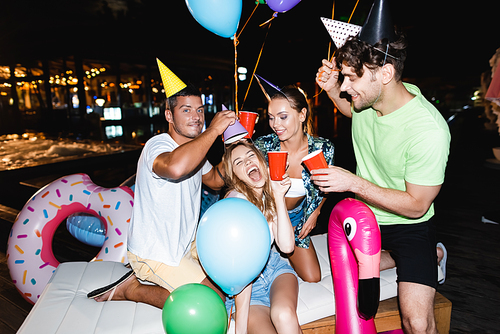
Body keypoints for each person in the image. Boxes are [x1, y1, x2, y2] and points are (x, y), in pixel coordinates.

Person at [314, 1, 451, 333]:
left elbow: (417, 205)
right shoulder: (368, 100)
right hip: (366, 220)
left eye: (350, 79)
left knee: (418, 322)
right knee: (335, 271)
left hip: (408, 224)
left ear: (385, 74)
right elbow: (354, 114)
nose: (346, 89)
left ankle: (427, 253)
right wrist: (332, 89)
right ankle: (429, 257)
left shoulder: (428, 130)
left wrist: (354, 184)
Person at [87, 61, 237, 308]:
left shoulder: (194, 152)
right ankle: (132, 289)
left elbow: (216, 180)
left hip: (185, 246)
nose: (197, 117)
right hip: (155, 253)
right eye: (186, 110)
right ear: (169, 115)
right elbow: (176, 167)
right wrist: (213, 131)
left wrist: (236, 148)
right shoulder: (157, 145)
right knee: (212, 303)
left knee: (232, 283)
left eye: (200, 110)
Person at [253, 76, 334, 283]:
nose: (275, 125)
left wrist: (316, 211)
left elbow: (327, 186)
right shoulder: (263, 145)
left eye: (282, 117)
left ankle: (279, 253)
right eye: (271, 117)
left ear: (302, 115)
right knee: (254, 273)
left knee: (313, 277)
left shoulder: (322, 149)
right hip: (266, 216)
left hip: (298, 218)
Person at [223, 141, 302, 334]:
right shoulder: (236, 203)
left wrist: (278, 195)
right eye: (239, 162)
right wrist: (240, 329)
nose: (248, 162)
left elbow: (287, 247)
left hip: (276, 271)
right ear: (235, 176)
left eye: (251, 156)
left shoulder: (266, 195)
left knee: (284, 314)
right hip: (246, 286)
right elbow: (241, 270)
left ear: (261, 159)